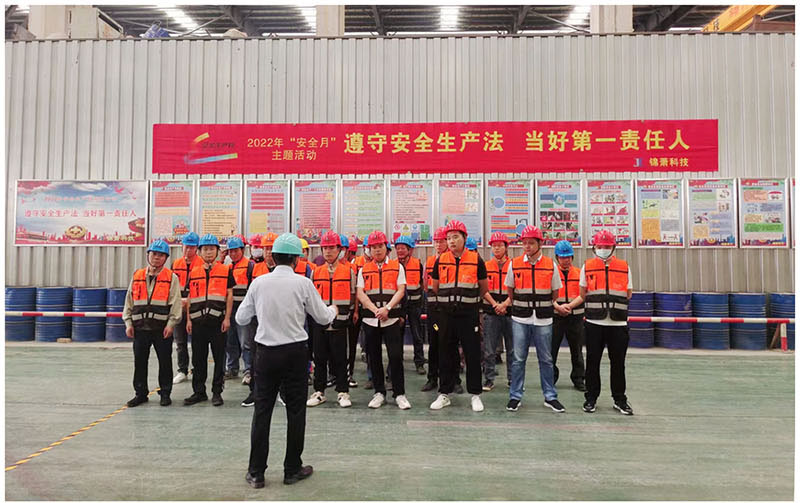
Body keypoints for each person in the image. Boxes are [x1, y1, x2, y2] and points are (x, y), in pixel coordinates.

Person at [236, 233, 338, 488]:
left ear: (273, 257)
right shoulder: (303, 283)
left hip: (265, 354)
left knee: (262, 411)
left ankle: (256, 473)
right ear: (296, 259)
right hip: (295, 354)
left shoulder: (259, 283)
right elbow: (323, 318)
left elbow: (241, 318)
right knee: (295, 411)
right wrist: (334, 310)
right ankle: (292, 469)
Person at [428, 220, 488, 412]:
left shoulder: (476, 260)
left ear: (464, 238)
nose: (451, 241)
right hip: (446, 315)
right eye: (448, 238)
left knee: (472, 353)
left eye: (455, 237)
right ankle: (444, 393)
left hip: (468, 315)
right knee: (445, 353)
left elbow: (483, 288)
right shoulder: (440, 260)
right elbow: (435, 286)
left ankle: (475, 395)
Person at [504, 225, 565, 413]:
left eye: (531, 243)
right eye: (524, 243)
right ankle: (515, 396)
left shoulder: (550, 265)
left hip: (543, 319)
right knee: (518, 359)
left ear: (540, 244)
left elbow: (555, 293)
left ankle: (550, 396)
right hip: (520, 319)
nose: (527, 246)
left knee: (546, 359)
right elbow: (510, 290)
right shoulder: (514, 264)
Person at [122, 239, 183, 407]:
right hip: (140, 327)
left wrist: (171, 324)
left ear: (166, 258)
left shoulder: (171, 278)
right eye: (154, 254)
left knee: (165, 361)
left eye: (161, 255)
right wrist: (128, 323)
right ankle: (140, 393)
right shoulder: (137, 275)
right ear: (148, 255)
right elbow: (129, 301)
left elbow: (176, 302)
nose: (157, 257)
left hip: (161, 328)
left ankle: (165, 393)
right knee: (140, 362)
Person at [580, 230, 633, 415]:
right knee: (592, 362)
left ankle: (619, 399)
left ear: (613, 247)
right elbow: (582, 292)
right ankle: (591, 398)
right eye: (600, 246)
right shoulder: (587, 266)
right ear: (594, 247)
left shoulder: (624, 267)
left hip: (618, 324)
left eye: (607, 246)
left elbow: (628, 293)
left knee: (618, 364)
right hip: (594, 323)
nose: (603, 249)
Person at [356, 230, 410, 410]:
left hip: (391, 319)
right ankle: (379, 393)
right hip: (371, 320)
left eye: (380, 246)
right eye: (373, 247)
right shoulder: (363, 269)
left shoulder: (397, 267)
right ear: (369, 250)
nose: (377, 250)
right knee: (374, 357)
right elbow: (360, 293)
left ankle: (399, 394)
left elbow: (401, 290)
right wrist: (375, 310)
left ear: (386, 248)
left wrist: (387, 309)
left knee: (395, 356)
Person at [306, 231, 356, 408]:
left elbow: (353, 296)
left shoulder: (348, 272)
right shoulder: (316, 272)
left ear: (339, 250)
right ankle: (319, 392)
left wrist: (348, 315)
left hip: (340, 324)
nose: (328, 251)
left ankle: (343, 392)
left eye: (331, 247)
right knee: (319, 358)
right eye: (325, 248)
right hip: (320, 324)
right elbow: (311, 299)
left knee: (340, 359)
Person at [185, 234, 233, 406]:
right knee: (198, 359)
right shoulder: (194, 272)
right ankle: (199, 392)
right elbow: (190, 297)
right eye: (205, 249)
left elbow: (229, 295)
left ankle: (217, 392)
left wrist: (227, 318)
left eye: (212, 249)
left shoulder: (225, 270)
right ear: (199, 252)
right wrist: (188, 320)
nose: (208, 252)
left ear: (218, 251)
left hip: (218, 322)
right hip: (198, 322)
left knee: (219, 359)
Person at [552, 240, 586, 392]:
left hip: (575, 318)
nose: (565, 260)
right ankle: (550, 378)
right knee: (551, 350)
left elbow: (583, 294)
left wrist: (570, 306)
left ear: (572, 257)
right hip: (556, 317)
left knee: (577, 351)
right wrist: (557, 307)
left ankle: (579, 379)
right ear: (557, 257)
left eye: (568, 257)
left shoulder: (580, 273)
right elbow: (547, 294)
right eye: (562, 257)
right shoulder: (551, 274)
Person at [481, 232, 513, 392]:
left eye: (500, 245)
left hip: (511, 313)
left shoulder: (514, 266)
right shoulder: (486, 266)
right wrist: (495, 305)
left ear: (506, 247)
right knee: (489, 350)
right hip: (491, 313)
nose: (497, 248)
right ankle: (489, 379)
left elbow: (517, 288)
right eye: (494, 246)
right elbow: (483, 289)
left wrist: (505, 305)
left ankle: (513, 380)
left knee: (512, 350)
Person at [171, 231, 203, 384]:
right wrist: (178, 301)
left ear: (197, 248)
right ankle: (182, 370)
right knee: (180, 342)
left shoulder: (202, 264)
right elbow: (171, 287)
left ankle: (197, 369)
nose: (188, 250)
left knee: (198, 342)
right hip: (179, 308)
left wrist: (189, 300)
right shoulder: (176, 264)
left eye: (192, 247)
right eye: (186, 246)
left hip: (196, 308)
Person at [225, 236, 256, 382]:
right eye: (230, 251)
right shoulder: (228, 268)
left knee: (246, 342)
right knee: (230, 341)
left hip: (244, 310)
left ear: (242, 250)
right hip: (230, 309)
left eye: (235, 251)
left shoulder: (250, 266)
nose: (233, 254)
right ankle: (232, 369)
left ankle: (248, 370)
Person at [394, 236, 426, 375]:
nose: (400, 251)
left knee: (417, 335)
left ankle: (419, 362)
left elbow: (422, 285)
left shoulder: (417, 264)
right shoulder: (393, 265)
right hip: (399, 306)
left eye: (403, 248)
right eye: (398, 248)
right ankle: (397, 362)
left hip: (414, 305)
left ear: (410, 250)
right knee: (397, 336)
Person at [342, 235, 360, 387]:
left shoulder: (353, 269)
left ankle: (349, 374)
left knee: (351, 345)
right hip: (333, 314)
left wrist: (356, 311)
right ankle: (335, 374)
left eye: (343, 249)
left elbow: (357, 292)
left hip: (351, 311)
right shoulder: (323, 269)